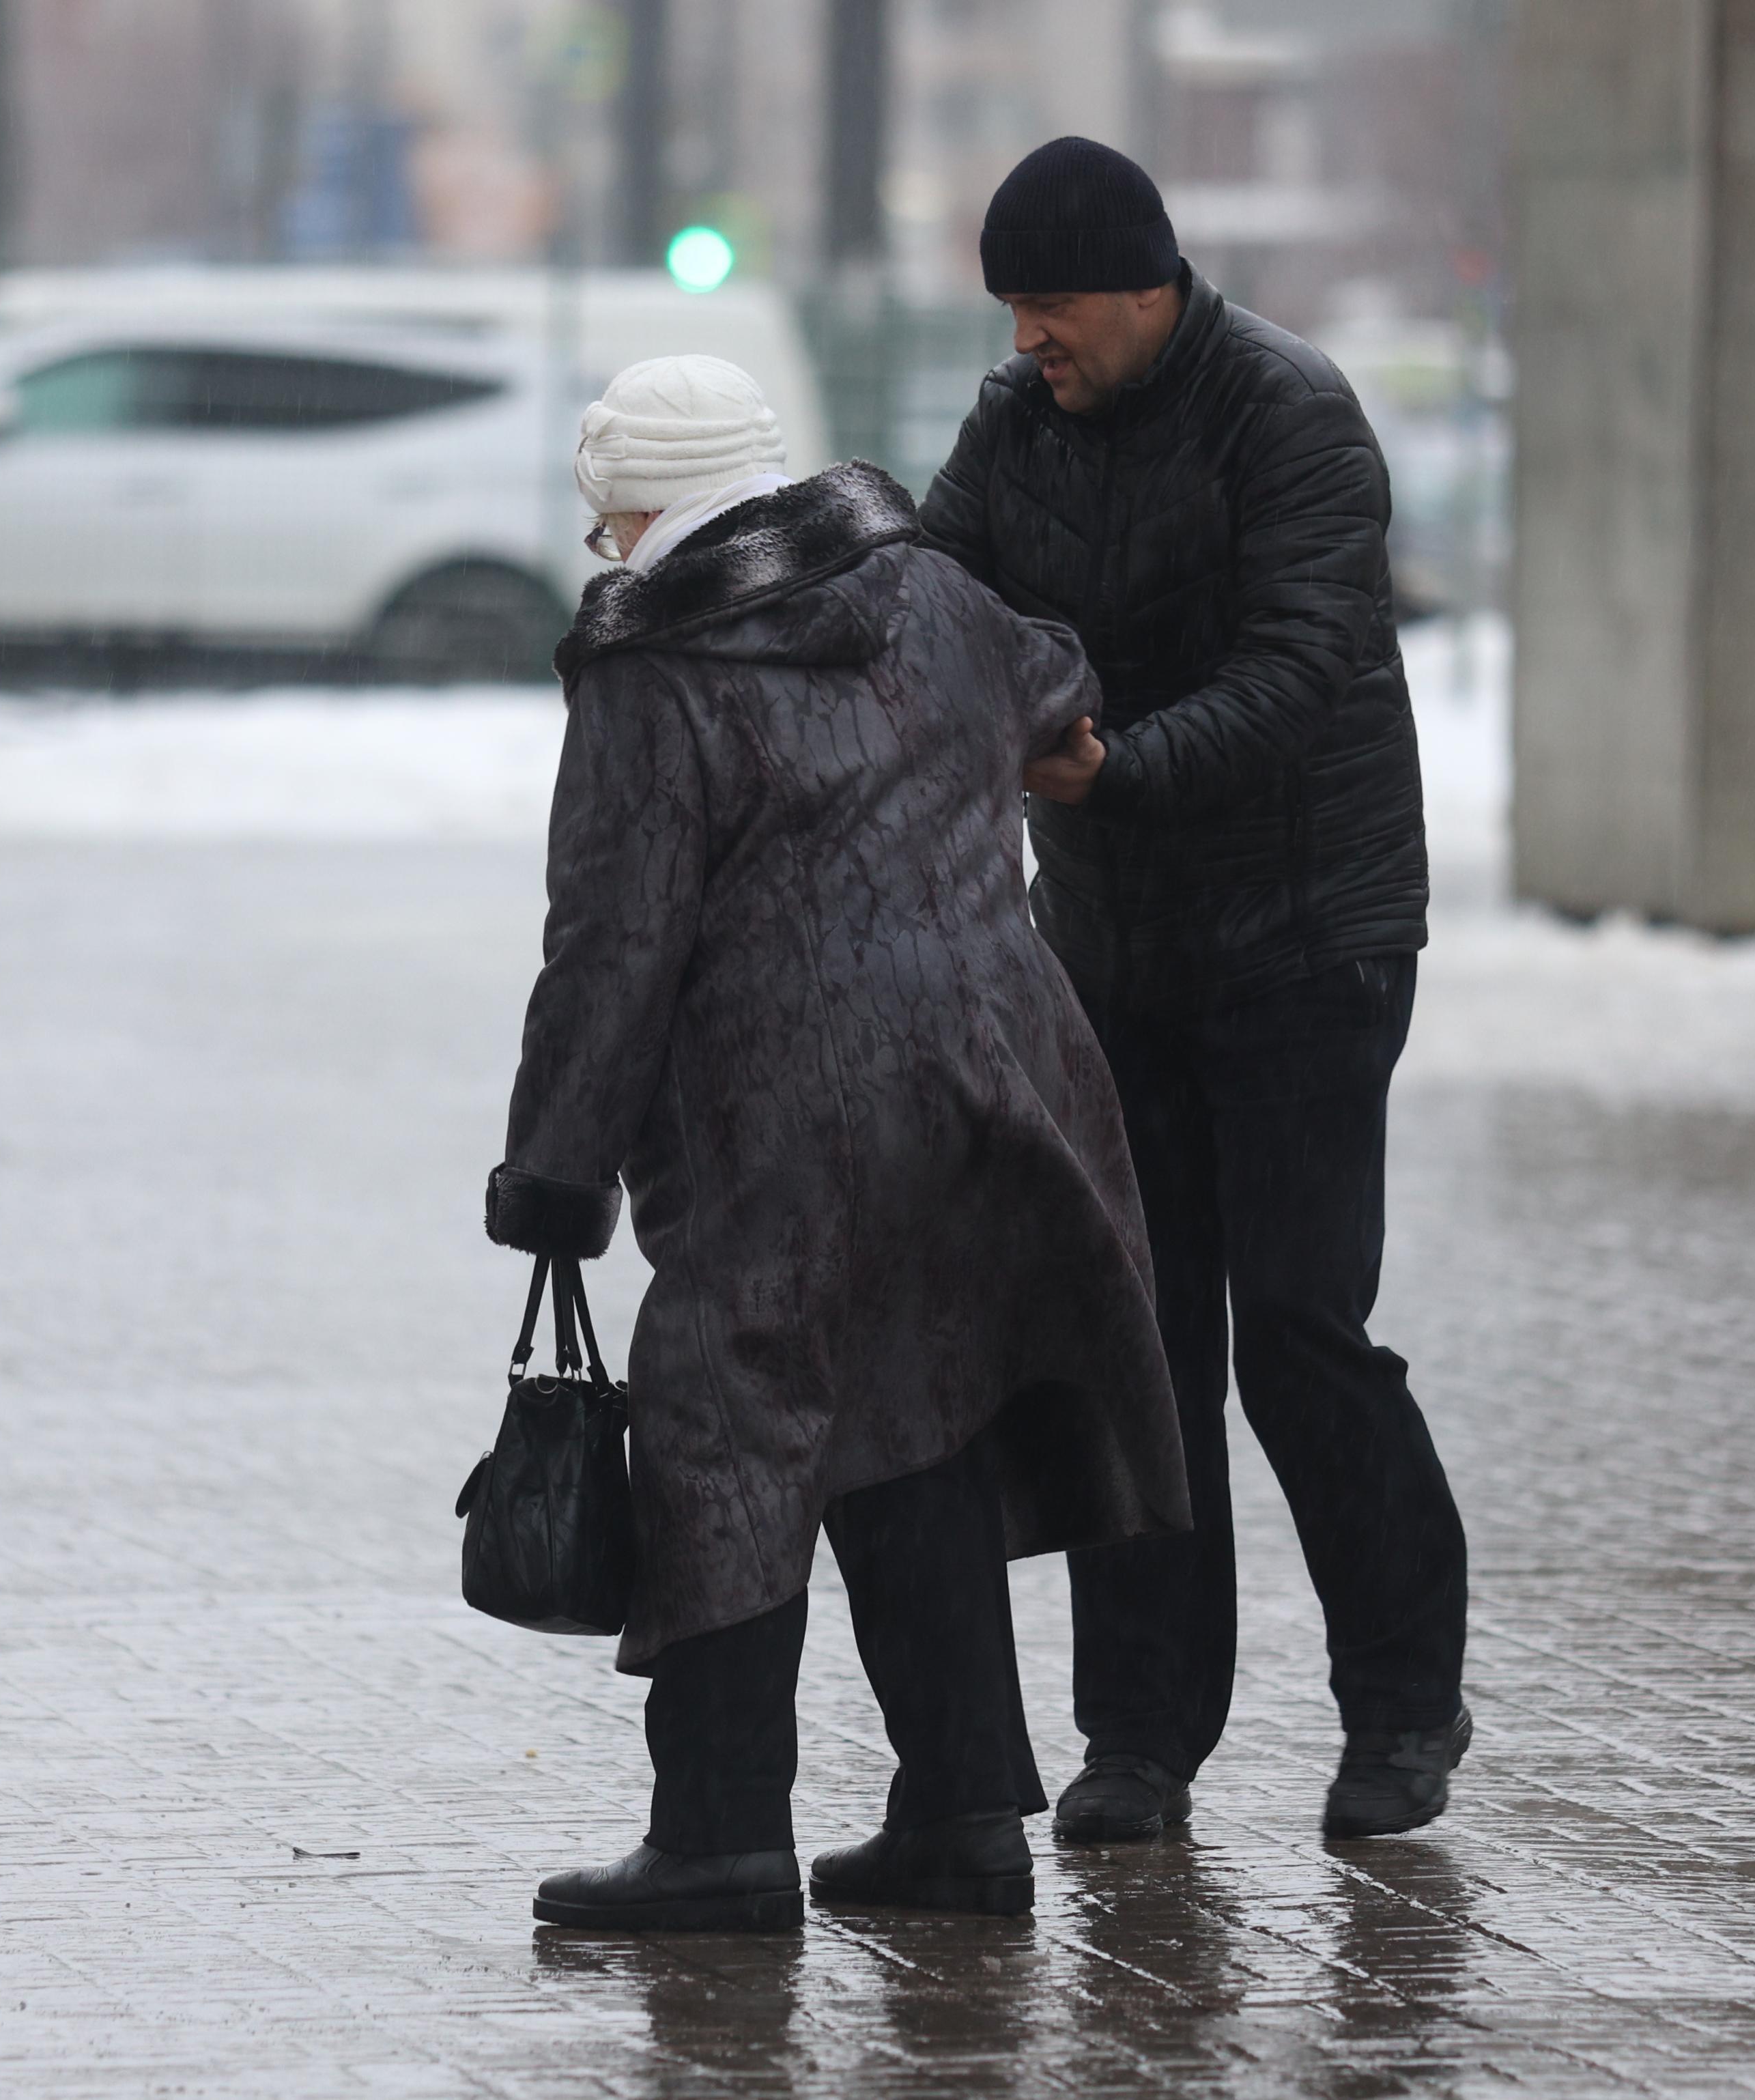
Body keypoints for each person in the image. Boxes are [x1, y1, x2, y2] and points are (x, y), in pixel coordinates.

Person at [484, 354, 1189, 1933]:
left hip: (785, 1107)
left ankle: (720, 1835)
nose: (608, 551)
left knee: (725, 1432)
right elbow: (1058, 676)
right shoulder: (930, 594)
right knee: (917, 1416)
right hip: (997, 1073)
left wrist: (552, 1171)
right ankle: (961, 1822)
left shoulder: (653, 663)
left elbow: (611, 944)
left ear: (645, 509)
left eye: (611, 523)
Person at [918, 137, 1472, 1843]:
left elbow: (1303, 663)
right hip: (1114, 950)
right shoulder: (1016, 425)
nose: (1028, 340)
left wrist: (1120, 769)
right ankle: (1141, 1739)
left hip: (1308, 938)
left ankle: (1402, 1707)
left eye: (1053, 306)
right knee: (1140, 1354)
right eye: (1011, 310)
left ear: (1148, 290)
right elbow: (928, 600)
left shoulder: (1288, 412)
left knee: (1300, 1332)